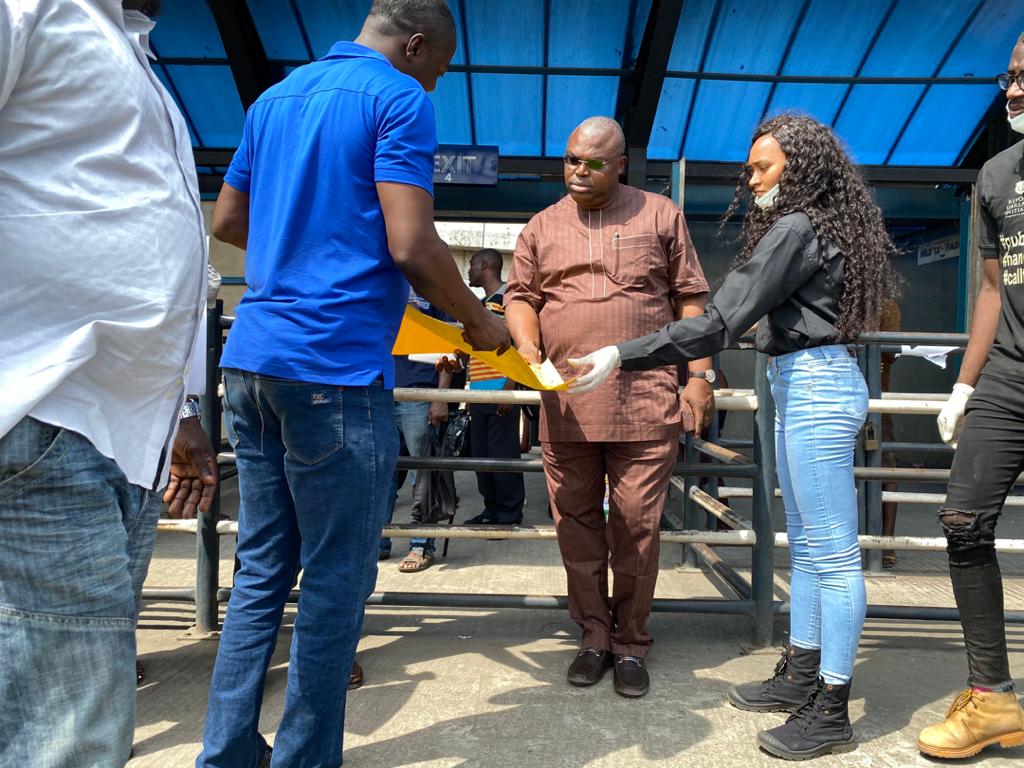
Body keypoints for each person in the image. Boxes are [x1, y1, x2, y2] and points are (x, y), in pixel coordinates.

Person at [196, 1, 509, 766]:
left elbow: (228, 222)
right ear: (415, 46)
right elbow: (412, 244)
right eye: (437, 71)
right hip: (331, 367)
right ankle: (305, 759)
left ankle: (227, 753)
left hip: (252, 360)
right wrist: (478, 322)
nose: (432, 87)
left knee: (262, 567)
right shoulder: (397, 97)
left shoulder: (274, 99)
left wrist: (305, 247)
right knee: (337, 578)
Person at [571, 114, 898, 759]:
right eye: (750, 169)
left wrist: (621, 353)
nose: (751, 180)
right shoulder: (819, 225)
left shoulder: (797, 228)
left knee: (829, 552)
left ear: (799, 169)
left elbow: (721, 321)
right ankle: (803, 672)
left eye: (762, 168)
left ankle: (831, 707)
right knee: (809, 543)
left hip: (814, 386)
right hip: (803, 381)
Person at [0, 1, 215, 765]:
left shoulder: (130, 50)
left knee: (63, 712)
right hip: (45, 409)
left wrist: (180, 412)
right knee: (71, 737)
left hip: (117, 434)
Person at [504, 116, 715, 699]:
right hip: (567, 404)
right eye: (571, 159)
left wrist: (699, 376)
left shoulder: (660, 214)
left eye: (594, 162)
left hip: (644, 402)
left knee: (636, 525)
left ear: (620, 164)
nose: (578, 171)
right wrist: (528, 346)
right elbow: (520, 297)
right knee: (575, 525)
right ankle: (593, 635)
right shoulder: (542, 225)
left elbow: (691, 299)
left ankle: (631, 641)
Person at [916, 34, 1024, 760]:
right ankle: (993, 700)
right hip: (1009, 375)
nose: (1013, 91)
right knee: (963, 522)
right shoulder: (997, 173)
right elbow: (991, 288)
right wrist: (963, 384)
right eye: (1008, 77)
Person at [380, 288, 453, 572]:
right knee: (380, 475)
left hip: (420, 393)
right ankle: (378, 542)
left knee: (421, 476)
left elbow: (449, 343)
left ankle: (421, 545)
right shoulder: (385, 283)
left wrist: (440, 397)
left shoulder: (434, 289)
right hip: (382, 390)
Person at [464, 248, 527, 526]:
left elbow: (520, 344)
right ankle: (491, 510)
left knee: (503, 456)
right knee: (481, 456)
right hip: (479, 391)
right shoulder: (480, 305)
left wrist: (510, 387)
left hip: (502, 390)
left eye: (472, 264)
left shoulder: (509, 299)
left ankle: (510, 514)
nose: (468, 270)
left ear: (485, 265)